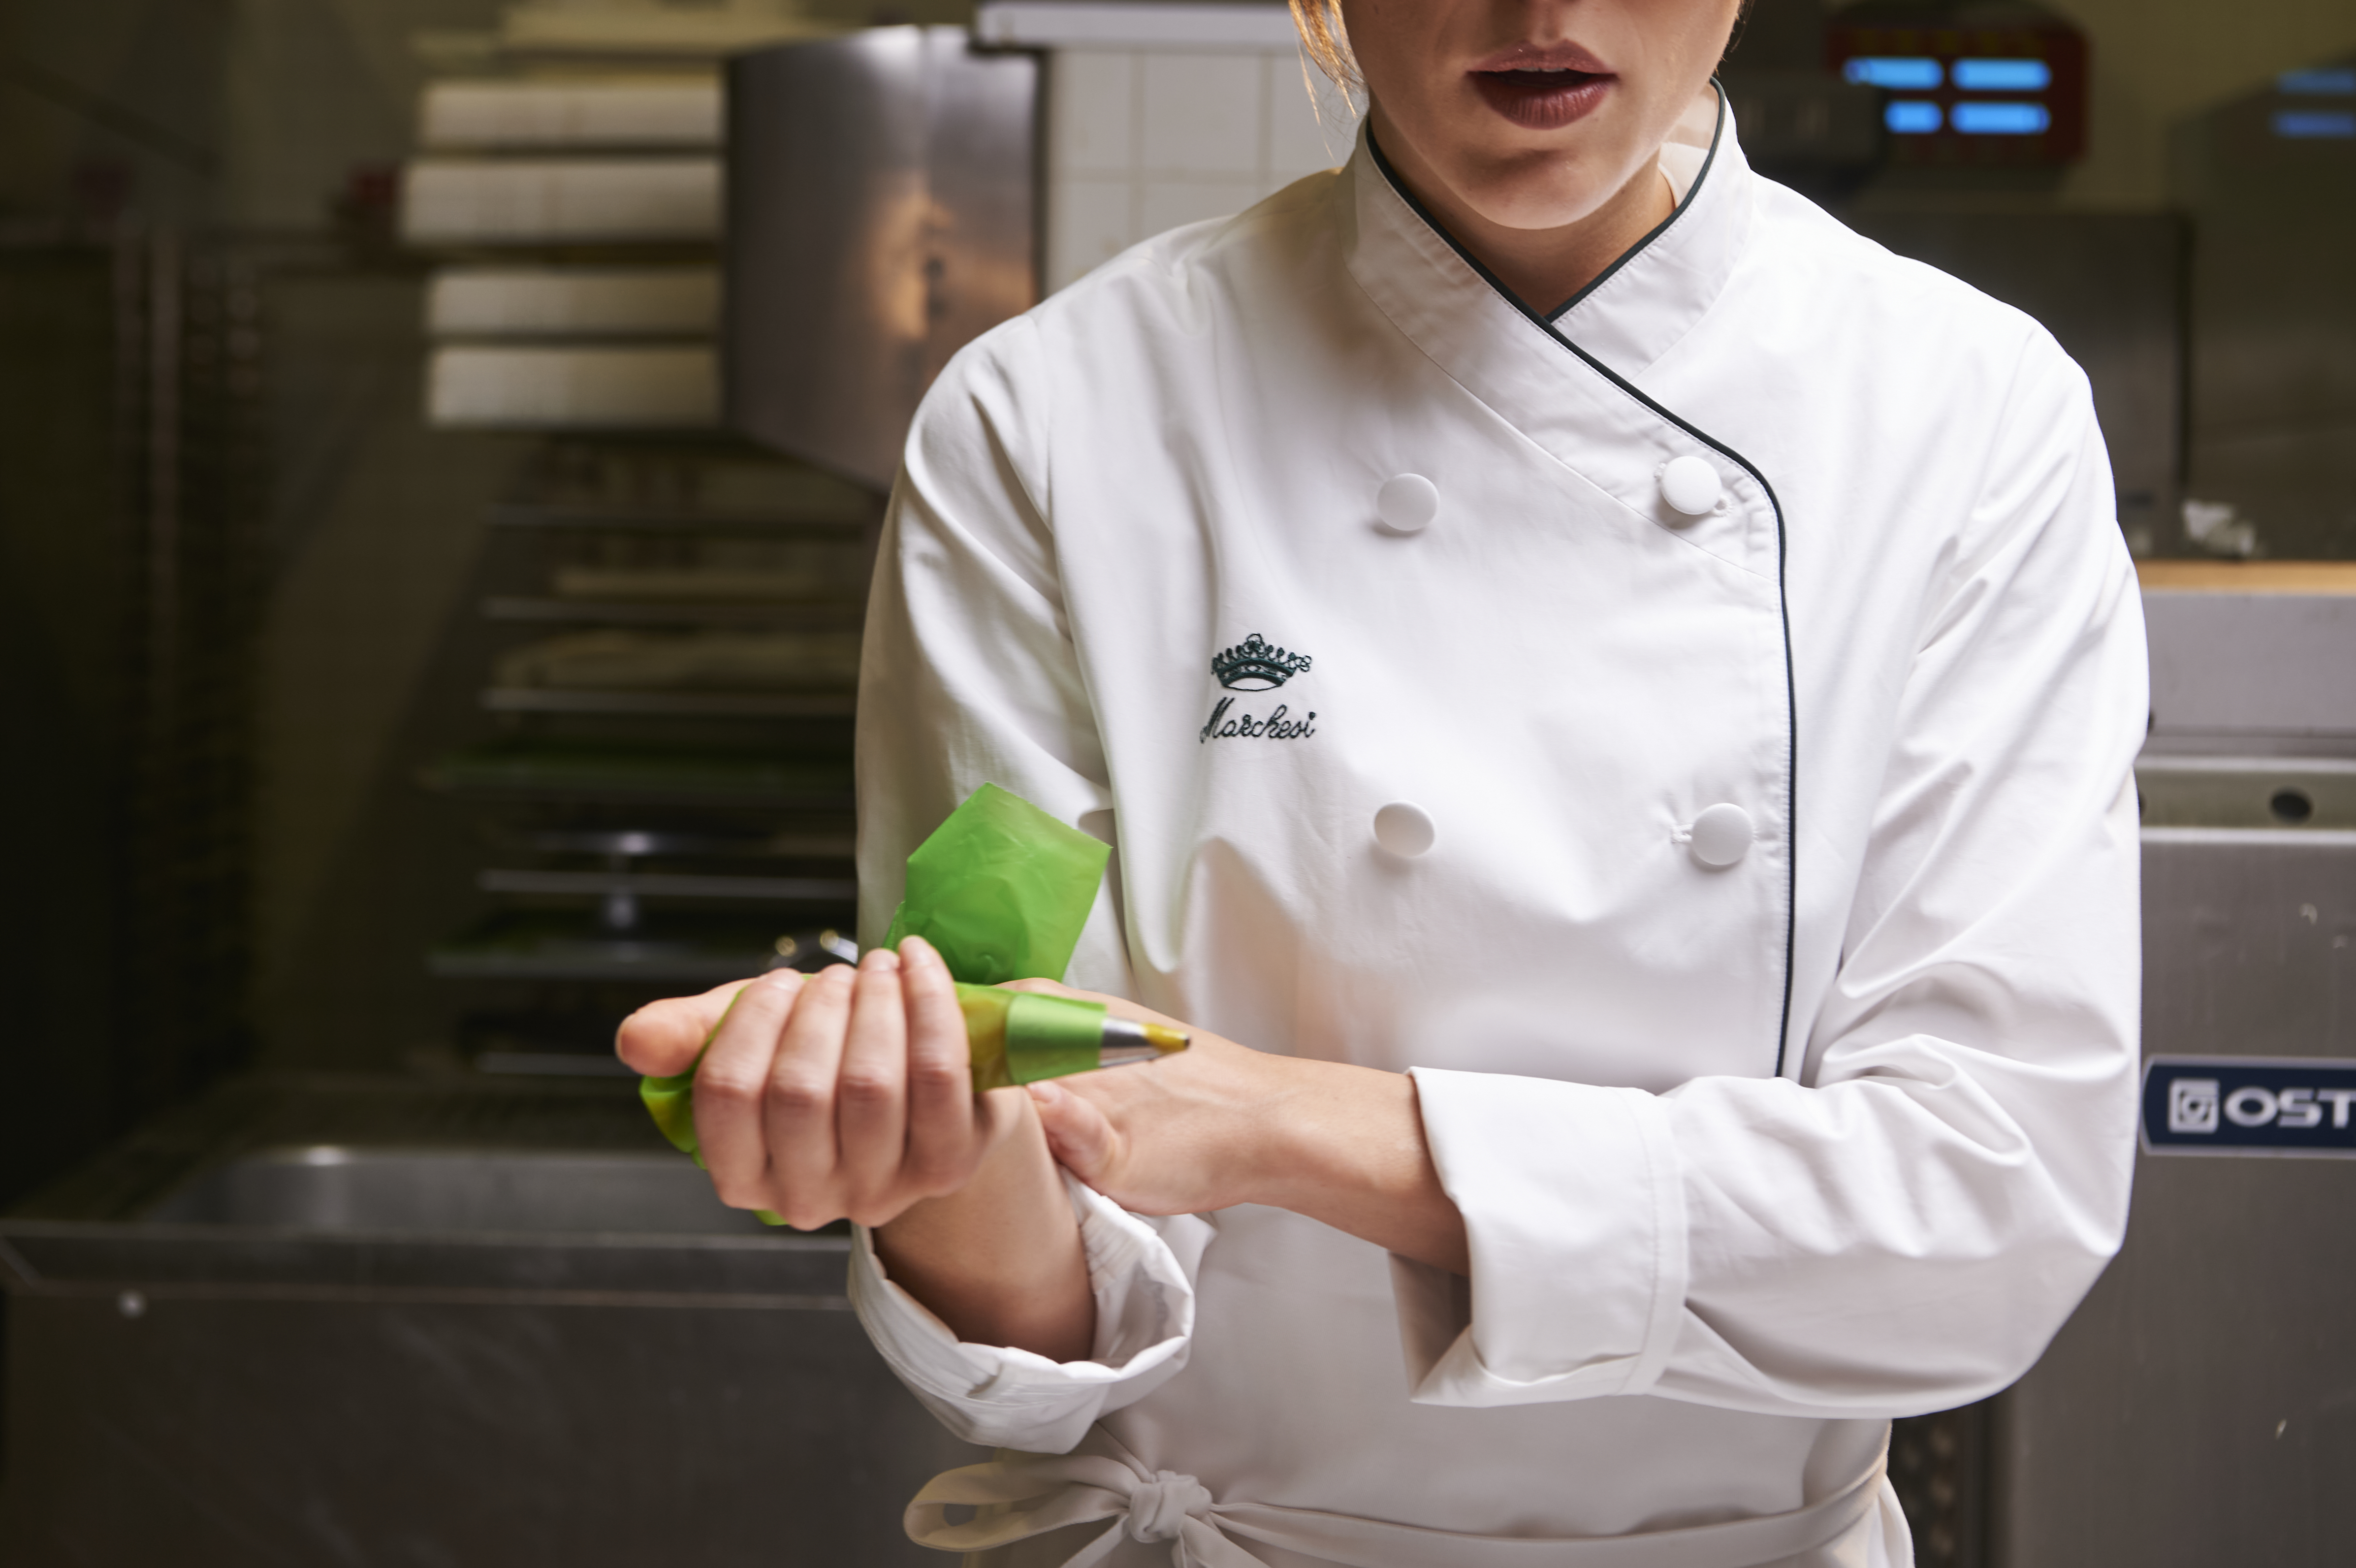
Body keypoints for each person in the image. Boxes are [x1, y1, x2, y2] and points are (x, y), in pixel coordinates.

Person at [615, 0, 2147, 1561]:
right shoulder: (1053, 422)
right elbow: (1044, 1252)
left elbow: (1983, 1214)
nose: (1541, 10)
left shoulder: (1962, 415)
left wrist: (1276, 1121)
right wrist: (931, 1146)